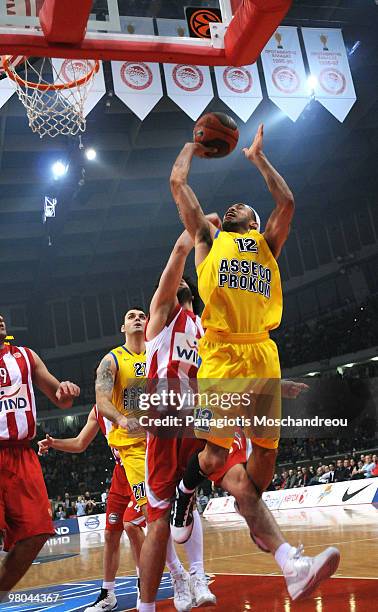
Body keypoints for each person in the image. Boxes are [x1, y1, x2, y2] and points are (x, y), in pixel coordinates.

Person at [168, 125, 340, 600]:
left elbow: (287, 202)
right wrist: (193, 147)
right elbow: (178, 186)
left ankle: (265, 534)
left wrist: (258, 159)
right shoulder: (207, 236)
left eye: (245, 204)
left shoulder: (267, 243)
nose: (236, 205)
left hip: (262, 352)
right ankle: (192, 492)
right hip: (222, 353)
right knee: (219, 458)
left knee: (261, 468)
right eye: (234, 205)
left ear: (254, 218)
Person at [139, 229, 218, 612]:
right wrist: (190, 236)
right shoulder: (161, 318)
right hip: (165, 416)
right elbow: (174, 264)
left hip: (196, 414)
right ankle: (172, 583)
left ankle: (198, 574)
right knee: (160, 515)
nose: (179, 281)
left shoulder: (202, 326)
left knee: (189, 500)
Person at [0, 313, 80, 600]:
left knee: (37, 532)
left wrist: (66, 390)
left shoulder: (26, 356)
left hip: (22, 454)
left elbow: (60, 397)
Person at [38, 405, 145, 612]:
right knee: (110, 534)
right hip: (120, 474)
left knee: (132, 526)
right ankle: (108, 594)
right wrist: (54, 443)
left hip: (141, 468)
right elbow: (79, 443)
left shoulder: (131, 398)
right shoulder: (98, 411)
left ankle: (145, 585)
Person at [95, 309, 148, 515]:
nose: (137, 319)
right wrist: (120, 418)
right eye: (131, 316)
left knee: (178, 501)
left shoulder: (157, 352)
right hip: (133, 443)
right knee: (149, 508)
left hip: (163, 438)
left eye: (142, 316)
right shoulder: (111, 360)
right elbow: (102, 401)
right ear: (123, 328)